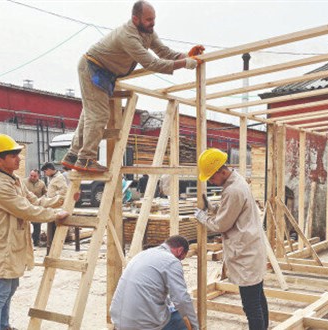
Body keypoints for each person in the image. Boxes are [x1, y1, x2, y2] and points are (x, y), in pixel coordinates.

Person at [61, 0, 205, 173]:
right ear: (136, 19)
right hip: (93, 68)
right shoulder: (128, 36)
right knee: (98, 115)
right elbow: (152, 63)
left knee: (90, 115)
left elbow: (164, 52)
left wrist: (186, 55)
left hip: (104, 73)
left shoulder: (148, 33)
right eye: (148, 19)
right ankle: (85, 159)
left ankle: (72, 155)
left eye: (154, 19)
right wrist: (184, 64)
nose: (152, 23)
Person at [0, 134, 69, 330]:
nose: (18, 158)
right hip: (3, 243)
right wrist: (55, 214)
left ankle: (3, 325)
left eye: (17, 154)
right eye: (13, 155)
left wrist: (62, 200)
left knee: (11, 288)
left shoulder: (16, 180)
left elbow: (36, 201)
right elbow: (26, 210)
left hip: (13, 243)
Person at [194, 148, 268, 330]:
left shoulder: (233, 190)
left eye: (212, 177)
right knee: (258, 297)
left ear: (222, 171)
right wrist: (213, 208)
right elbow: (231, 211)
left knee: (252, 306)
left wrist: (203, 217)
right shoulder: (237, 181)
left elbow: (221, 225)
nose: (212, 181)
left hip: (246, 255)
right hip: (252, 249)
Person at [110, 235, 199, 330]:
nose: (180, 261)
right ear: (180, 250)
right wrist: (195, 326)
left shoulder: (143, 254)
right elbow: (181, 300)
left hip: (118, 320)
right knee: (181, 320)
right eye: (181, 258)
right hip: (142, 325)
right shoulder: (171, 261)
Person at [40, 162, 72, 250]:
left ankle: (55, 245)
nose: (45, 174)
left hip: (56, 205)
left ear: (50, 170)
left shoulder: (59, 177)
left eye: (45, 171)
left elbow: (64, 190)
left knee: (55, 226)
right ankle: (51, 243)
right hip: (51, 204)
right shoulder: (52, 177)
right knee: (50, 226)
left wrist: (54, 196)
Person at [23, 169, 47, 246]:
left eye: (34, 176)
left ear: (38, 176)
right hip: (25, 207)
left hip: (36, 207)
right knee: (23, 225)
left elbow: (45, 193)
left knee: (37, 225)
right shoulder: (23, 182)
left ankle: (36, 241)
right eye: (31, 175)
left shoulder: (42, 184)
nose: (32, 177)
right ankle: (24, 243)